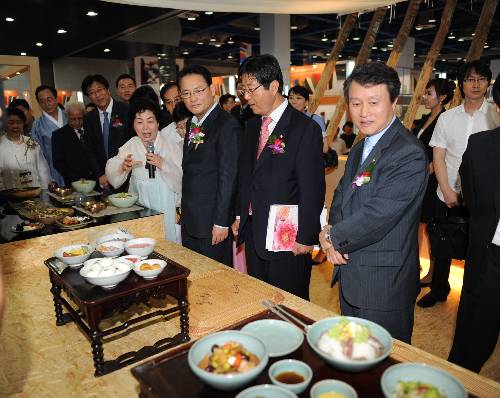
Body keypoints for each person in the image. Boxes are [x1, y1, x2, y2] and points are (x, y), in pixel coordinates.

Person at [319, 62, 428, 343]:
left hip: (383, 284)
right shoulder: (360, 148)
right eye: (355, 103)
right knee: (355, 352)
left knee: (384, 361)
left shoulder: (408, 153)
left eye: (373, 102)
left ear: (393, 102)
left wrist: (332, 236)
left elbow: (378, 215)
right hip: (349, 269)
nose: (363, 113)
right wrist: (331, 237)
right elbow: (342, 195)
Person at [231, 54, 325, 300]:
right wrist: (241, 214)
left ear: (273, 86)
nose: (246, 97)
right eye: (243, 90)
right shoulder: (252, 126)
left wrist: (306, 237)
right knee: (262, 300)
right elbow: (246, 176)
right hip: (254, 233)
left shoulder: (305, 129)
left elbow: (312, 188)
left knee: (290, 304)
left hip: (288, 238)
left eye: (251, 90)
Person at [418, 60, 500, 308]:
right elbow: (439, 156)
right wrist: (445, 189)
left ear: (488, 83)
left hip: (487, 198)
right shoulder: (448, 118)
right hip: (448, 193)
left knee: (480, 249)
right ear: (461, 84)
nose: (475, 84)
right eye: (469, 79)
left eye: (481, 79)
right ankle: (439, 289)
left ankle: (475, 296)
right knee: (441, 245)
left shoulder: (495, 115)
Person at [448, 74, 500, 373]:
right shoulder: (480, 145)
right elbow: (469, 192)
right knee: (473, 337)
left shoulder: (480, 145)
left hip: (490, 246)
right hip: (490, 254)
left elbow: (471, 195)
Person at [179, 65, 240, 266]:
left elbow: (228, 177)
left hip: (212, 225)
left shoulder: (226, 124)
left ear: (212, 90)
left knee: (216, 282)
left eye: (198, 91)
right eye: (186, 93)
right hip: (191, 220)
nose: (192, 98)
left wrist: (222, 222)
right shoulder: (193, 122)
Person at [106, 98, 182, 241]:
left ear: (158, 123)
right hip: (141, 205)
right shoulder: (131, 144)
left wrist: (163, 165)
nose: (145, 128)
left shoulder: (171, 145)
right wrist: (122, 167)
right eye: (139, 122)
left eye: (150, 121)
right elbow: (112, 174)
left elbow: (182, 181)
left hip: (166, 206)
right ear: (133, 125)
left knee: (167, 244)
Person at [412, 78, 456, 286]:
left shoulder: (446, 119)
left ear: (443, 97)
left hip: (433, 180)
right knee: (419, 226)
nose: (425, 97)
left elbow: (441, 154)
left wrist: (424, 174)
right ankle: (416, 265)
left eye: (430, 93)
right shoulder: (425, 118)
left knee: (433, 228)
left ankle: (433, 273)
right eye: (426, 93)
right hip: (420, 178)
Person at [81, 74, 131, 191]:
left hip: (127, 173)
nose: (98, 95)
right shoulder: (89, 118)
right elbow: (89, 149)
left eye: (100, 90)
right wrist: (100, 174)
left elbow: (133, 141)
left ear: (107, 90)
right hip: (103, 179)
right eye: (92, 93)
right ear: (89, 97)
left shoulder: (126, 110)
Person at [0, 108, 51, 190]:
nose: (15, 126)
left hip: (35, 193)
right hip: (10, 196)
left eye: (19, 122)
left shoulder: (31, 142)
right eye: (11, 123)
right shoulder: (1, 144)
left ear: (23, 124)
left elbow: (42, 169)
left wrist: (45, 190)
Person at [31, 85, 67, 186]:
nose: (46, 104)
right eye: (42, 101)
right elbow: (38, 155)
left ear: (56, 98)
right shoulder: (37, 125)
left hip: (78, 168)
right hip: (54, 172)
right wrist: (47, 178)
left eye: (49, 99)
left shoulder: (70, 116)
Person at [52, 102, 94, 186]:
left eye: (80, 118)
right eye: (73, 119)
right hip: (74, 183)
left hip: (96, 180)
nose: (77, 122)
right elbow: (58, 162)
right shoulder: (59, 135)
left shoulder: (92, 129)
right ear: (67, 116)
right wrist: (75, 178)